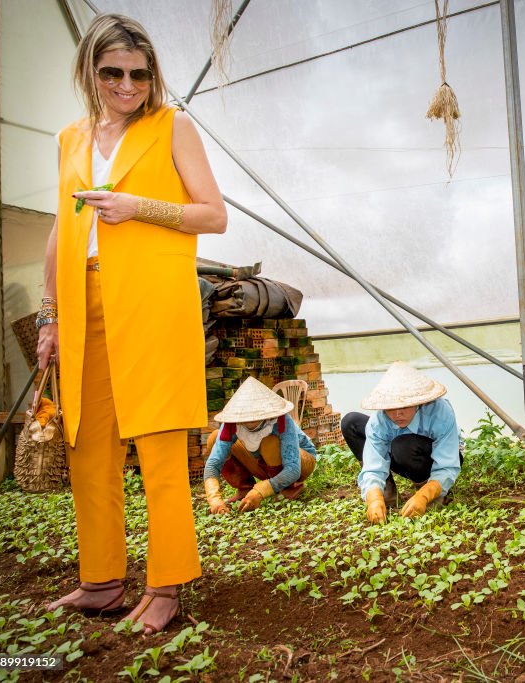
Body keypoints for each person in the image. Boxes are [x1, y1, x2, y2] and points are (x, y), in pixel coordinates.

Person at [38, 14, 226, 634]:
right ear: (91, 71)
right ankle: (101, 581)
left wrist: (137, 206)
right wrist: (50, 316)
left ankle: (167, 584)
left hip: (151, 299)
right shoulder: (70, 139)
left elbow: (213, 215)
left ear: (153, 78)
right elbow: (61, 230)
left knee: (160, 442)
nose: (127, 85)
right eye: (113, 72)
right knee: (87, 443)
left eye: (139, 75)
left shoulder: (172, 127)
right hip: (83, 299)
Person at [341, 362, 462, 524]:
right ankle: (386, 490)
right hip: (402, 452)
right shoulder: (379, 421)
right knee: (351, 422)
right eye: (391, 408)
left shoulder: (440, 412)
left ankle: (433, 489)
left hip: (436, 458)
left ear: (417, 402)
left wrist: (424, 495)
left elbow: (448, 464)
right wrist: (374, 498)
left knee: (402, 445)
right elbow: (372, 463)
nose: (397, 414)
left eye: (404, 406)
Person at [202, 377, 318, 514]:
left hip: (300, 461)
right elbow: (213, 463)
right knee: (215, 438)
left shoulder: (280, 419)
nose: (250, 419)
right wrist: (214, 499)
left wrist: (261, 491)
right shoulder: (231, 423)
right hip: (263, 463)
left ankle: (289, 488)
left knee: (270, 442)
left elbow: (293, 469)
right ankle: (245, 488)